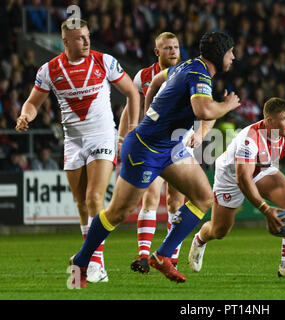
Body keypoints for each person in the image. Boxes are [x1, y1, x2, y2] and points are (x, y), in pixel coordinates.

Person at [69, 31, 240, 287]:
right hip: (145, 149)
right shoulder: (198, 73)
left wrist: (150, 110)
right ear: (220, 53)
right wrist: (228, 104)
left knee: (204, 196)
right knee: (117, 212)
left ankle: (162, 256)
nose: (234, 57)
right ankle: (81, 262)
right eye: (231, 52)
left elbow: (158, 81)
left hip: (169, 147)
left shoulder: (188, 65)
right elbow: (203, 110)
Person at [15, 18, 140, 283]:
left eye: (87, 36)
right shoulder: (49, 70)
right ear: (66, 42)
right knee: (82, 202)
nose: (86, 42)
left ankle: (97, 264)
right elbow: (32, 102)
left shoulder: (103, 61)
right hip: (73, 142)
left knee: (95, 196)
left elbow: (132, 92)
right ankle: (89, 263)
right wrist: (25, 115)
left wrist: (132, 128)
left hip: (102, 137)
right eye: (80, 38)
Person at [117, 32, 213, 272]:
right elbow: (131, 108)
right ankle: (142, 256)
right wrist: (123, 137)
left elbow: (204, 107)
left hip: (178, 145)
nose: (173, 51)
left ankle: (170, 256)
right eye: (168, 47)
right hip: (151, 143)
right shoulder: (143, 77)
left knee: (175, 201)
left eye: (176, 47)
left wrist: (199, 135)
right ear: (156, 52)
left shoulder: (188, 72)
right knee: (150, 196)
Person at [189, 97, 285, 278]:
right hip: (231, 176)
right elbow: (243, 179)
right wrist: (266, 209)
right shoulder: (250, 137)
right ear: (269, 121)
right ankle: (200, 239)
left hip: (262, 169)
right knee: (219, 231)